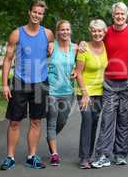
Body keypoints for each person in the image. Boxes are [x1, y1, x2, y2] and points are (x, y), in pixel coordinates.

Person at [0, 0, 54, 170]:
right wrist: (4, 85)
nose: (37, 15)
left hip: (40, 83)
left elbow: (62, 47)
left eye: (40, 13)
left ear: (42, 15)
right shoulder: (16, 34)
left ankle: (32, 156)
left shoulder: (48, 34)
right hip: (20, 82)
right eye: (35, 12)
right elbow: (8, 60)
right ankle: (10, 157)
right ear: (29, 12)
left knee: (36, 121)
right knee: (15, 122)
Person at [90, 2, 128, 168]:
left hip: (127, 83)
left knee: (124, 121)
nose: (119, 16)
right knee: (107, 120)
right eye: (116, 14)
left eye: (122, 14)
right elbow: (94, 43)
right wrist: (82, 45)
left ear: (126, 15)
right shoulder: (107, 32)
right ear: (113, 16)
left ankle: (120, 154)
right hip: (109, 83)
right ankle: (103, 154)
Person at [75, 19, 108, 169]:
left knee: (94, 121)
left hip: (100, 92)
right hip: (85, 91)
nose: (97, 33)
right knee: (87, 120)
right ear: (90, 32)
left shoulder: (106, 47)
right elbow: (78, 73)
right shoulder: (84, 49)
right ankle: (84, 157)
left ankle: (90, 153)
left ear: (104, 32)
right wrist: (84, 93)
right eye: (94, 31)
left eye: (100, 30)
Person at [46, 20, 77, 166]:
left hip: (68, 91)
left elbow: (82, 63)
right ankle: (54, 154)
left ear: (70, 31)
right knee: (51, 121)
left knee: (62, 121)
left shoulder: (75, 48)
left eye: (67, 29)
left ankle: (50, 138)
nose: (65, 32)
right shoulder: (52, 47)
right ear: (57, 32)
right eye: (62, 30)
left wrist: (76, 70)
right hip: (52, 90)